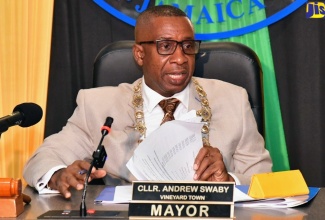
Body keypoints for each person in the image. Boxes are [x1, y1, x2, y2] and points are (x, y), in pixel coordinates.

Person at [23, 5, 272, 199]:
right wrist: (58, 176)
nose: (180, 58)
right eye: (166, 46)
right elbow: (43, 159)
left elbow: (265, 180)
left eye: (187, 46)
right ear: (140, 54)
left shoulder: (232, 100)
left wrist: (228, 182)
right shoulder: (98, 106)